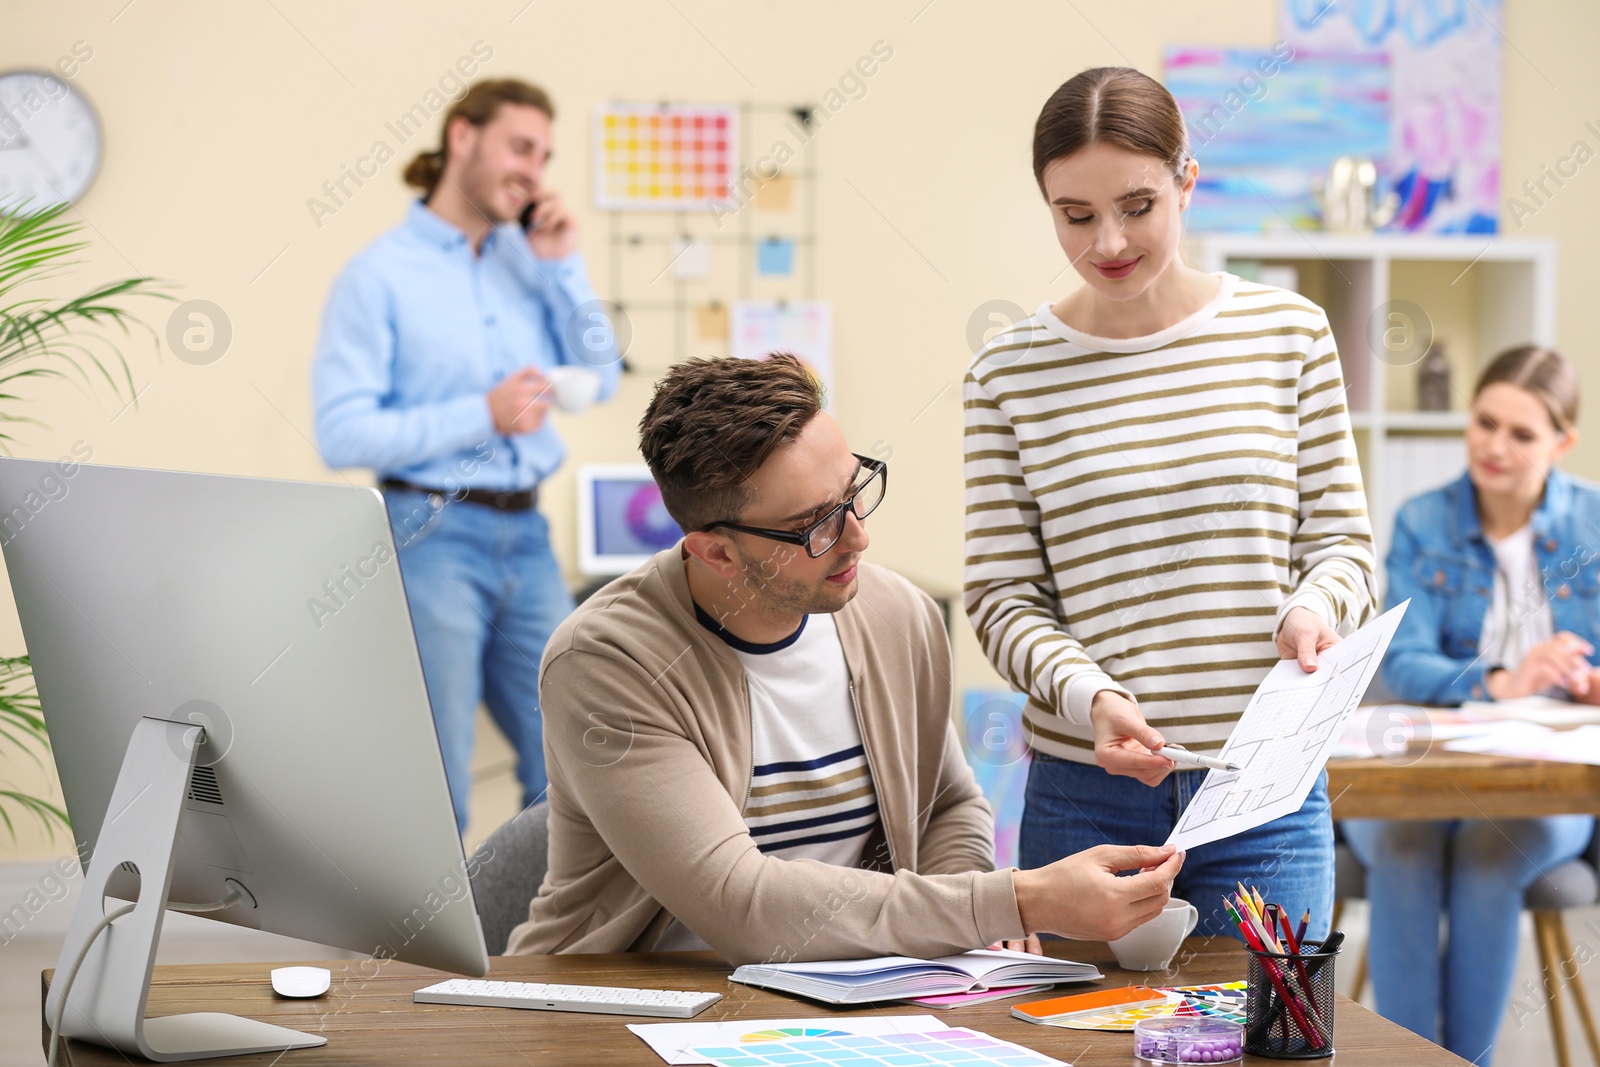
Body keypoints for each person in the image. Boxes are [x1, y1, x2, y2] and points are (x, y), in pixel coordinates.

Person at [506, 354, 1184, 964]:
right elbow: (743, 905)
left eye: (855, 490)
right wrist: (1015, 900)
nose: (859, 535)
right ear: (715, 550)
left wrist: (964, 932)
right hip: (622, 1013)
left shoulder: (898, 616)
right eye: (816, 524)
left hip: (844, 998)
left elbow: (947, 804)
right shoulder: (606, 661)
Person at [963, 67, 1376, 941]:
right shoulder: (1007, 372)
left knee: (1272, 1039)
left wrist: (1310, 607)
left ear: (1188, 181)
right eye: (1076, 216)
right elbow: (1001, 599)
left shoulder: (1289, 335)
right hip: (1087, 798)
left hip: (1264, 788)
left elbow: (1344, 545)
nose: (1108, 240)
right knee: (1085, 1042)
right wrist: (1094, 697)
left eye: (1138, 205)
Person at [312, 79, 621, 832]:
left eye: (544, 155)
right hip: (429, 533)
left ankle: (540, 947)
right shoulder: (378, 275)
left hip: (530, 536)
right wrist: (478, 413)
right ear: (462, 138)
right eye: (520, 147)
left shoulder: (532, 261)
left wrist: (564, 266)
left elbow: (604, 372)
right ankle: (425, 952)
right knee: (436, 784)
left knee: (574, 771)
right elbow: (342, 433)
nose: (534, 171)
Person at [1342, 345, 1598, 1064]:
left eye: (1522, 433)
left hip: (1542, 784)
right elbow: (1405, 658)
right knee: (1403, 843)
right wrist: (1504, 678)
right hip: (1421, 772)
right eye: (1485, 422)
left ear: (1562, 441)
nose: (1494, 446)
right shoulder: (1424, 519)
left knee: (1490, 854)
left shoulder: (1595, 523)